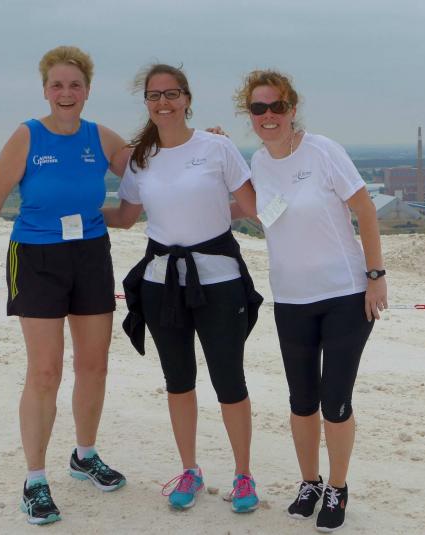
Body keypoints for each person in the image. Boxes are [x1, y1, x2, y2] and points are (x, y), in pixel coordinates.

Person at [0, 46, 128, 526]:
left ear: (87, 90)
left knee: (94, 365)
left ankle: (84, 455)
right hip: (36, 256)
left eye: (74, 85)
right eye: (57, 85)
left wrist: (207, 142)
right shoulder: (28, 135)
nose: (66, 93)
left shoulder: (101, 136)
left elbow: (155, 165)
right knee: (45, 371)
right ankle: (35, 480)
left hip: (90, 254)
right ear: (45, 90)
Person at [103, 64, 263, 513]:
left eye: (172, 94)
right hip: (161, 283)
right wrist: (73, 213)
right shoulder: (140, 158)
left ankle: (243, 475)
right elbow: (126, 216)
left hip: (220, 281)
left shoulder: (217, 147)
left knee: (229, 380)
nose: (163, 103)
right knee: (178, 381)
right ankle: (190, 470)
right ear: (146, 103)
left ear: (187, 99)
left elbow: (254, 207)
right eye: (155, 96)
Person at [234, 70, 387, 533]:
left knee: (334, 400)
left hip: (344, 295)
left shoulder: (323, 151)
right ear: (250, 114)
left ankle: (337, 486)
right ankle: (310, 483)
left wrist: (375, 276)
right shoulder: (259, 162)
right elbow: (259, 214)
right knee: (302, 400)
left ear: (292, 109)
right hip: (291, 299)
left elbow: (365, 209)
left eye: (276, 106)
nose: (268, 116)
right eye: (258, 108)